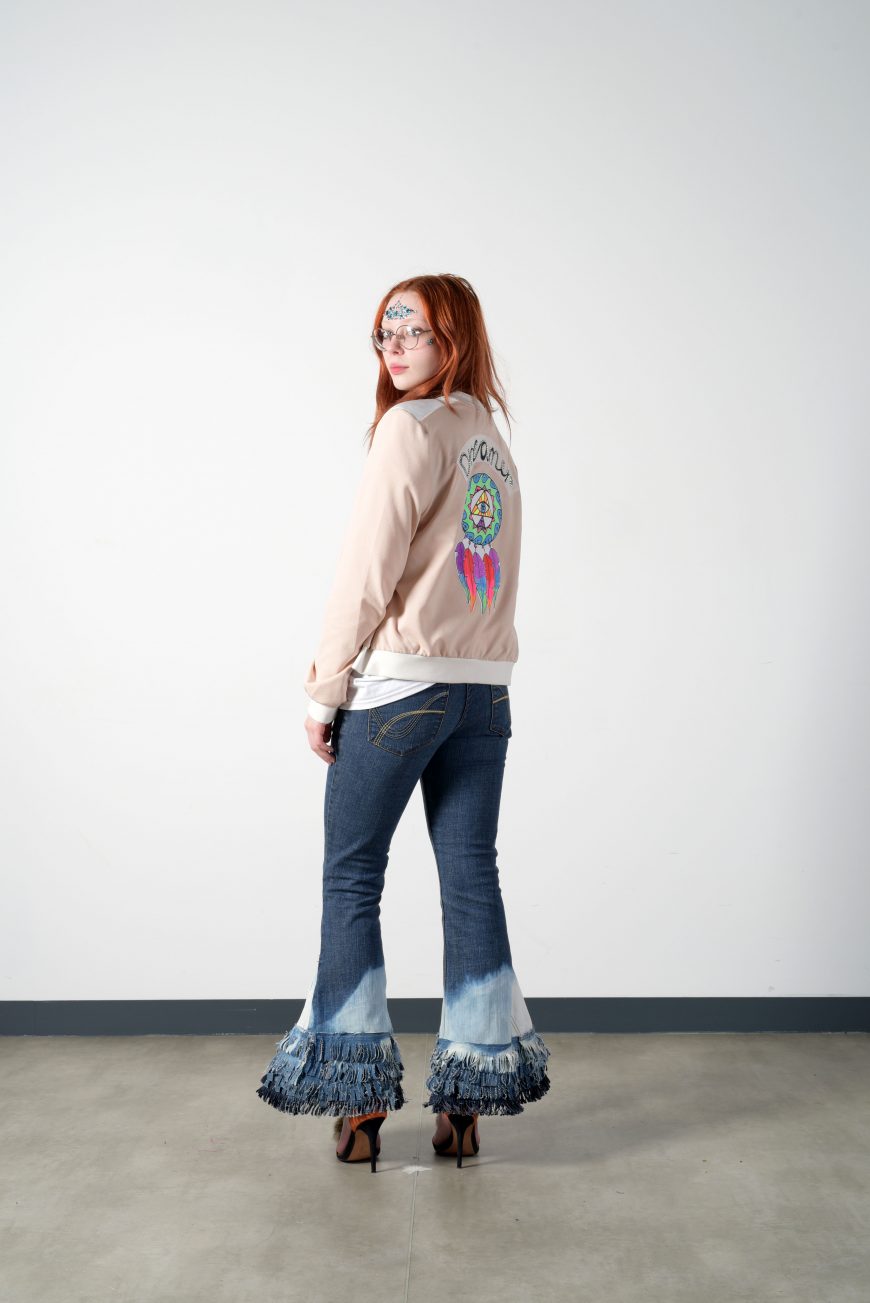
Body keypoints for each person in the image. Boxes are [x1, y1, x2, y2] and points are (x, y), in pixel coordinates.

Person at [256, 274, 551, 1171]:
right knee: (470, 876)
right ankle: (467, 1101)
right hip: (484, 692)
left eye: (410, 329)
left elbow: (366, 572)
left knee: (352, 875)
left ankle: (358, 1101)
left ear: (452, 337)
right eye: (383, 331)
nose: (391, 345)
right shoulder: (492, 443)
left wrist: (324, 688)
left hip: (400, 689)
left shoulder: (407, 429)